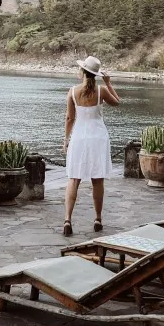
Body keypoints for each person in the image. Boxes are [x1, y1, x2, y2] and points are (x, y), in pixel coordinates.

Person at [63, 55, 120, 236]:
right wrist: (109, 83)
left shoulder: (72, 91)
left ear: (82, 72)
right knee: (97, 180)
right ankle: (97, 218)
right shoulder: (101, 91)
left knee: (74, 179)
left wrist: (66, 140)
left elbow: (70, 118)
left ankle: (67, 220)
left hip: (79, 137)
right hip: (98, 138)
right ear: (95, 74)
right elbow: (117, 102)